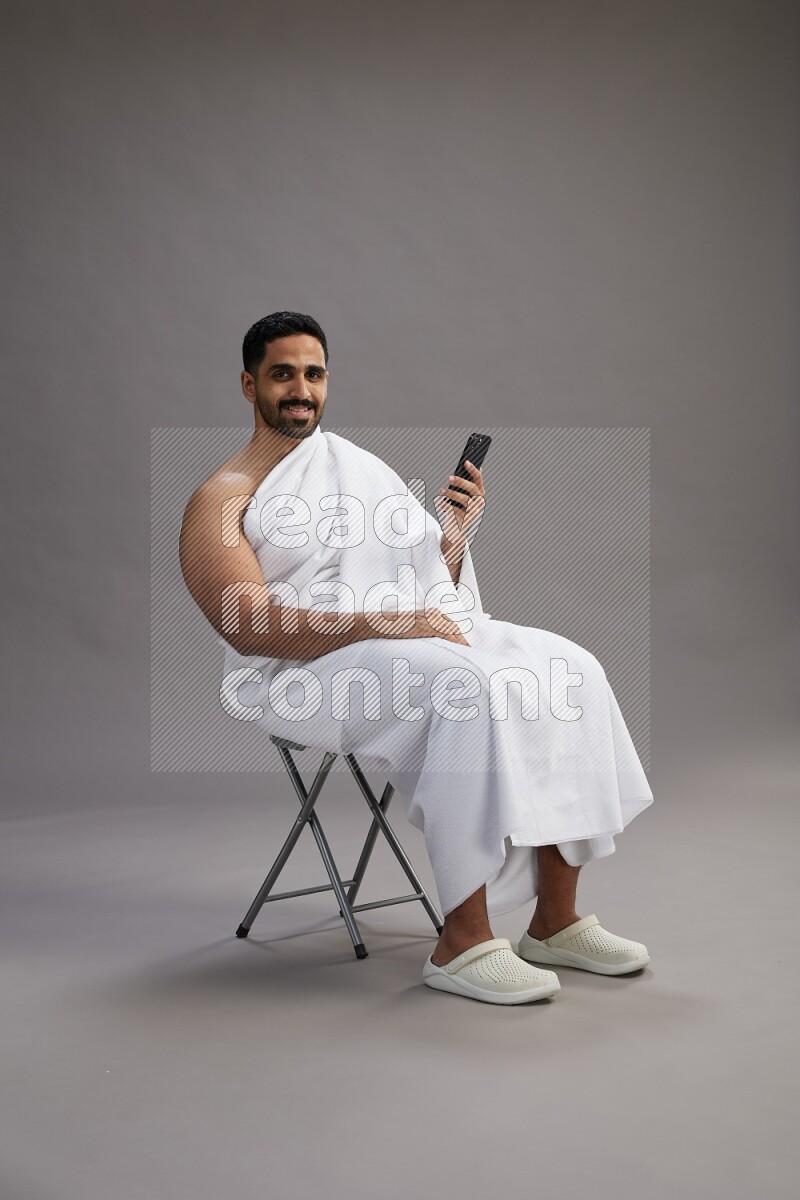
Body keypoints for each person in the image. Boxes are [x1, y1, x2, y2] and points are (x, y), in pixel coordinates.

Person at [179, 310, 654, 1006]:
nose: (301, 389)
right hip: (302, 672)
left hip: (397, 639)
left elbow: (421, 583)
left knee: (569, 669)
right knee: (460, 685)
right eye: (283, 374)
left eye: (314, 373)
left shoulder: (353, 468)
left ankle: (555, 922)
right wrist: (390, 621)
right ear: (249, 384)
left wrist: (454, 539)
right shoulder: (220, 499)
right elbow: (249, 626)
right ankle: (461, 940)